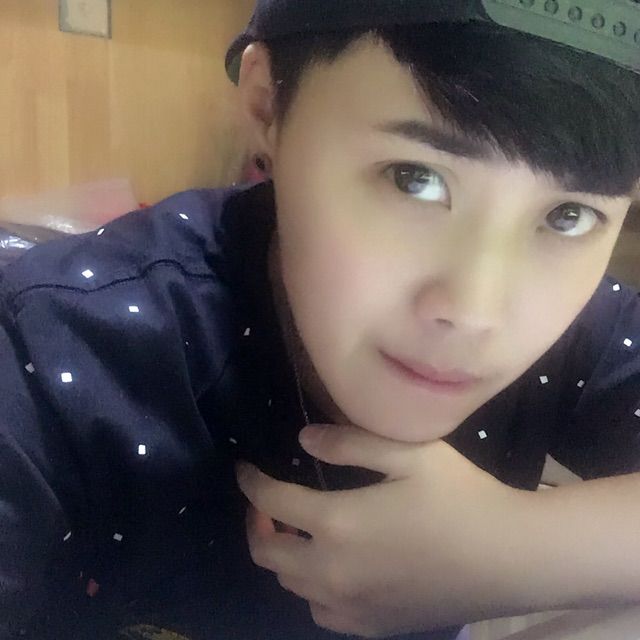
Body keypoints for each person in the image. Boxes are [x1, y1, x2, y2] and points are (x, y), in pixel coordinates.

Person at [2, 1, 640, 638]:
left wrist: (512, 551)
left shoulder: (586, 322)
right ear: (267, 106)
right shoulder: (55, 354)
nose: (476, 312)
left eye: (568, 217)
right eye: (414, 178)